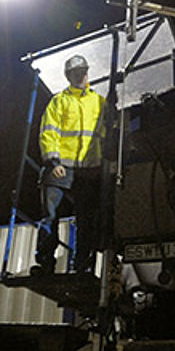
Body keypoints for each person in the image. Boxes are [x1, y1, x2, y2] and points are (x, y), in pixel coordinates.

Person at [32, 54, 107, 275]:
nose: (82, 75)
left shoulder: (100, 102)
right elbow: (48, 132)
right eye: (76, 73)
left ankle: (82, 264)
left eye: (84, 71)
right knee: (50, 216)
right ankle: (46, 263)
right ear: (68, 76)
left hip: (89, 170)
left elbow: (107, 134)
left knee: (86, 220)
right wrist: (53, 161)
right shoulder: (59, 101)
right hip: (61, 167)